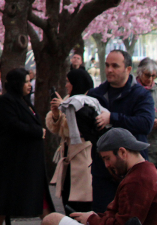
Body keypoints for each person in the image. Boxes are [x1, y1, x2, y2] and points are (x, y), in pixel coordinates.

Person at [41, 128, 157, 225]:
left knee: (51, 219)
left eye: (107, 158)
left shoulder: (138, 181)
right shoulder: (144, 171)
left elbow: (123, 224)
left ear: (122, 152)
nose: (107, 165)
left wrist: (92, 219)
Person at [87, 50, 155, 212]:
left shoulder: (141, 95)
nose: (109, 70)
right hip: (103, 170)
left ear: (128, 69)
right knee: (103, 217)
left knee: (130, 217)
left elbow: (145, 124)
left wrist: (113, 118)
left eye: (115, 66)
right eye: (107, 65)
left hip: (133, 171)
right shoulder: (95, 94)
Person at [0, 68, 52, 225]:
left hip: (29, 162)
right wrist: (38, 131)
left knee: (40, 198)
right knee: (3, 201)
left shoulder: (24, 100)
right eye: (26, 81)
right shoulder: (7, 101)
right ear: (16, 83)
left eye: (30, 81)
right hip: (12, 162)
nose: (29, 85)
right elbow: (13, 125)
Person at [47, 69, 96, 214]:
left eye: (69, 82)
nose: (66, 85)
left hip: (83, 157)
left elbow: (80, 125)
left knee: (82, 202)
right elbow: (57, 129)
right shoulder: (68, 99)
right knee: (67, 201)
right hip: (67, 156)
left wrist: (65, 107)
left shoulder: (89, 100)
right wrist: (56, 114)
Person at [135, 58, 157, 178]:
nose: (150, 79)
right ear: (139, 73)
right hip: (138, 141)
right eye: (147, 75)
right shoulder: (133, 90)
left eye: (154, 76)